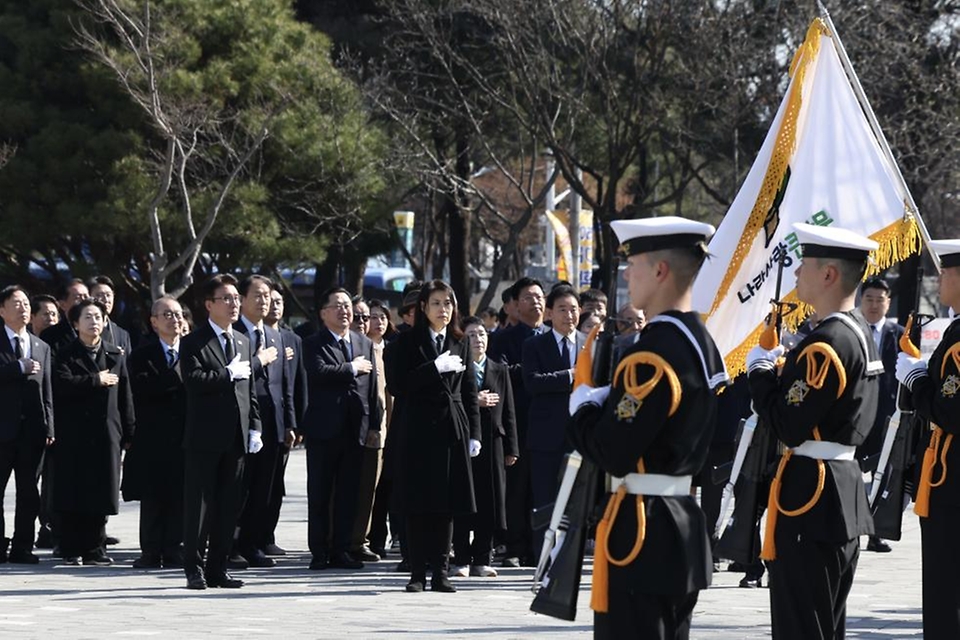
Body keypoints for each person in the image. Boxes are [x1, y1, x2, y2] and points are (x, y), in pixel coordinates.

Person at [567, 216, 727, 639]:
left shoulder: (652, 351)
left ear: (660, 271)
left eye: (633, 263)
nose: (625, 273)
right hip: (680, 524)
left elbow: (611, 449)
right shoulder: (699, 339)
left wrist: (582, 408)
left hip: (642, 530)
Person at [748, 223, 881, 640]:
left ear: (828, 275)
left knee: (801, 625)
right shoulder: (857, 331)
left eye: (803, 265)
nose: (796, 274)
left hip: (811, 494)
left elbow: (788, 421)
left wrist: (760, 374)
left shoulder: (825, 343)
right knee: (823, 625)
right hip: (838, 490)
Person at [385, 280, 481, 593]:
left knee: (445, 504)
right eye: (437, 303)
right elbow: (397, 385)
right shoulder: (404, 342)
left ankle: (441, 572)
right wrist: (433, 369)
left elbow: (469, 390)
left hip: (451, 428)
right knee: (417, 503)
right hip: (416, 428)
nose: (444, 309)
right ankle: (416, 573)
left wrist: (474, 433)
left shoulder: (459, 340)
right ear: (423, 307)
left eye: (448, 303)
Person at [895, 238, 960, 640]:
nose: (940, 279)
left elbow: (950, 410)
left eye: (946, 271)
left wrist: (917, 378)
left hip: (952, 481)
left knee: (944, 590)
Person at [180, 274, 261, 590]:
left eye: (236, 298)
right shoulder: (194, 341)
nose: (234, 304)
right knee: (199, 507)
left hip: (237, 437)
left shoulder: (242, 340)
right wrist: (225, 374)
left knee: (229, 507)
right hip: (204, 437)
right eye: (226, 299)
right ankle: (194, 568)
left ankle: (218, 568)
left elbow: (249, 389)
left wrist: (255, 426)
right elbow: (194, 380)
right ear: (209, 304)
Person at [302, 287, 380, 570]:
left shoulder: (364, 343)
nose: (344, 311)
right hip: (323, 429)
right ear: (324, 313)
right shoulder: (312, 343)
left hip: (355, 429)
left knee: (349, 494)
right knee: (321, 494)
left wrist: (373, 423)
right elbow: (319, 373)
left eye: (347, 305)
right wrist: (350, 368)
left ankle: (342, 550)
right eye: (337, 306)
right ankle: (319, 551)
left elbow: (371, 389)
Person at [53, 298, 135, 566]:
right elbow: (61, 386)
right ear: (76, 324)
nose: (94, 322)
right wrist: (94, 380)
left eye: (98, 317)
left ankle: (95, 548)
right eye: (87, 317)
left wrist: (129, 430)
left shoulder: (115, 355)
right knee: (73, 490)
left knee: (102, 492)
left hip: (107, 432)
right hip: (74, 434)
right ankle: (69, 548)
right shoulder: (64, 353)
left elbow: (125, 396)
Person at [233, 275, 292, 569]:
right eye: (257, 295)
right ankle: (231, 544)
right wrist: (259, 360)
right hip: (241, 420)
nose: (263, 301)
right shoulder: (233, 334)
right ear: (242, 300)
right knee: (239, 486)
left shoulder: (275, 335)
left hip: (272, 421)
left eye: (267, 295)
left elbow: (283, 385)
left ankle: (253, 543)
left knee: (264, 487)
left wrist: (289, 423)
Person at [452, 316, 518, 578]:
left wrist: (512, 447)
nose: (477, 340)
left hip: (494, 442)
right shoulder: (456, 368)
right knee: (462, 500)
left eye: (481, 334)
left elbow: (510, 410)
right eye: (471, 335)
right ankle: (461, 559)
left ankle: (482, 556)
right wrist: (473, 400)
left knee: (490, 501)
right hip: (463, 441)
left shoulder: (499, 369)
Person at [487, 276, 546, 567]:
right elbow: (500, 375)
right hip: (517, 422)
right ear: (514, 305)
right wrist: (534, 372)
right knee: (517, 488)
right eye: (528, 298)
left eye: (539, 297)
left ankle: (539, 547)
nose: (535, 302)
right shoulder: (503, 339)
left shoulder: (552, 336)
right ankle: (514, 545)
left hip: (548, 422)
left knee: (543, 488)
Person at [125, 296, 187, 569]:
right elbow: (143, 389)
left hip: (185, 435)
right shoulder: (141, 354)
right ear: (154, 322)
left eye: (178, 314)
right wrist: (176, 378)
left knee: (179, 496)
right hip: (152, 437)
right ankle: (150, 550)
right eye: (167, 315)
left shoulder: (192, 352)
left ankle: (173, 549)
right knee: (152, 497)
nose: (174, 320)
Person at [0, 286, 54, 564]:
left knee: (29, 493)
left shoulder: (40, 346)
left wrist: (50, 427)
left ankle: (23, 546)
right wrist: (16, 368)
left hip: (32, 432)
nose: (22, 308)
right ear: (2, 310)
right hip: (2, 431)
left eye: (25, 303)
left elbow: (47, 391)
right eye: (15, 303)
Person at [523, 284, 586, 513]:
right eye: (562, 309)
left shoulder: (592, 344)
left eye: (573, 309)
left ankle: (571, 550)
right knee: (546, 505)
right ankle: (543, 550)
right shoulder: (534, 345)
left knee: (576, 507)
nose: (569, 315)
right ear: (549, 313)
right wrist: (570, 375)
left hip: (581, 438)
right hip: (546, 440)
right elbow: (533, 382)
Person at [856, 276, 903, 554]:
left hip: (886, 417)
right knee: (854, 473)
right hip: (858, 415)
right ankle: (853, 527)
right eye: (869, 299)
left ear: (888, 302)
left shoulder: (899, 334)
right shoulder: (854, 329)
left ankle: (875, 532)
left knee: (881, 475)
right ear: (862, 300)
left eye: (880, 300)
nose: (874, 305)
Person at [262, 288, 306, 556]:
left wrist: (296, 423)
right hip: (258, 420)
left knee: (276, 484)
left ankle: (268, 534)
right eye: (270, 301)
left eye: (279, 301)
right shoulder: (248, 337)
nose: (274, 306)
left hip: (282, 423)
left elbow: (297, 383)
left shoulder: (292, 338)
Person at [347, 296, 383, 563]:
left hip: (372, 429)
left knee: (366, 489)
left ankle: (360, 540)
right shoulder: (341, 345)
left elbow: (380, 395)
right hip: (341, 429)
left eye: (364, 317)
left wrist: (376, 425)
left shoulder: (375, 348)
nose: (361, 322)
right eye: (357, 316)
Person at [366, 299, 397, 559]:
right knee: (370, 488)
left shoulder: (393, 349)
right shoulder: (362, 349)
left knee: (387, 487)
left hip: (393, 426)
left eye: (383, 317)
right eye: (373, 317)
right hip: (372, 429)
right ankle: (367, 539)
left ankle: (380, 537)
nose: (379, 322)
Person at [40, 278, 89, 357]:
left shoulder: (98, 330)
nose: (84, 302)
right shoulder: (50, 335)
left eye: (86, 297)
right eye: (77, 298)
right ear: (62, 305)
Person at [88, 275, 133, 355]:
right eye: (99, 295)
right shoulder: (82, 330)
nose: (106, 300)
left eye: (108, 295)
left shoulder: (122, 334)